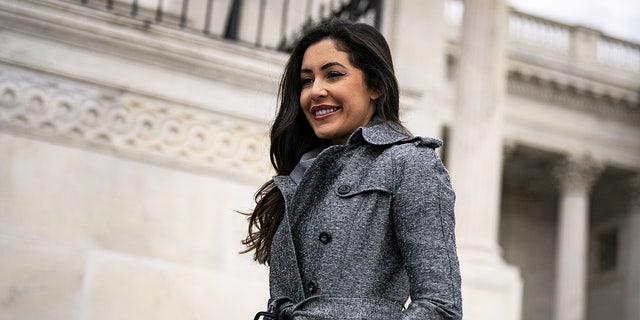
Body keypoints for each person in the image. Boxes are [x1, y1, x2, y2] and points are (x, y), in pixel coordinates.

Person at [242, 18, 462, 320]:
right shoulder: (302, 173)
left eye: (333, 75)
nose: (315, 91)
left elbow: (441, 307)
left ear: (375, 85)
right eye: (307, 80)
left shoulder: (409, 163)